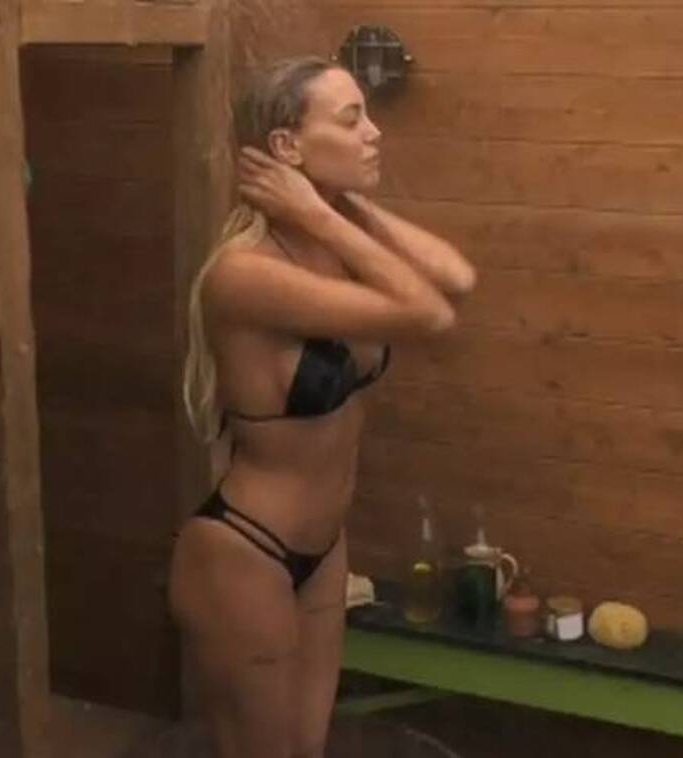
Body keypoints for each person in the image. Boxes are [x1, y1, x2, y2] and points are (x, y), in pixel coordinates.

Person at [169, 56, 476, 758]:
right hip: (245, 552)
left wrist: (338, 206)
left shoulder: (333, 246)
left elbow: (456, 278)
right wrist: (317, 210)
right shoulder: (244, 274)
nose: (374, 132)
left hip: (325, 548)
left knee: (307, 749)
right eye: (351, 119)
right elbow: (428, 315)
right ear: (287, 146)